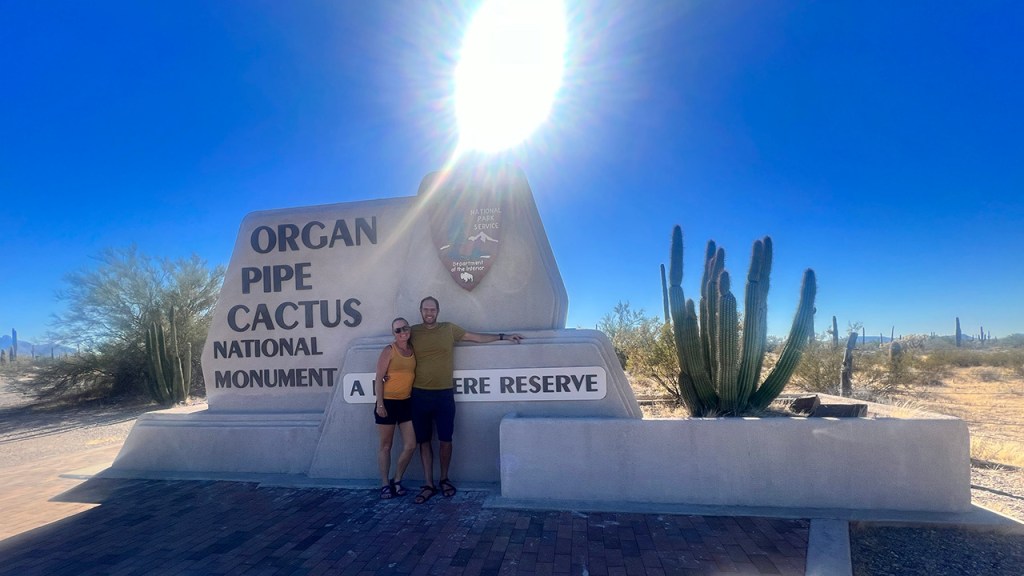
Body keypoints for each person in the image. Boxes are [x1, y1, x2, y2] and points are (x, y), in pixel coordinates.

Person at [410, 296, 523, 504]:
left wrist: (503, 336)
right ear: (420, 310)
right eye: (425, 309)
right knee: (423, 442)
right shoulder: (412, 332)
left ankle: (444, 479)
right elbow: (397, 350)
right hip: (419, 395)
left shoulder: (449, 329)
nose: (429, 313)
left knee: (446, 440)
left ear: (438, 311)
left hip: (444, 394)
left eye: (432, 309)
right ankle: (428, 484)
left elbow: (475, 337)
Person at [373, 317, 417, 499]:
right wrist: (380, 404)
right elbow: (378, 378)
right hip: (388, 402)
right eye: (397, 330)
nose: (402, 332)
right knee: (386, 445)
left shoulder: (413, 349)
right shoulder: (389, 350)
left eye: (404, 328)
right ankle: (385, 484)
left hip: (406, 402)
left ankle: (397, 479)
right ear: (394, 333)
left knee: (411, 445)